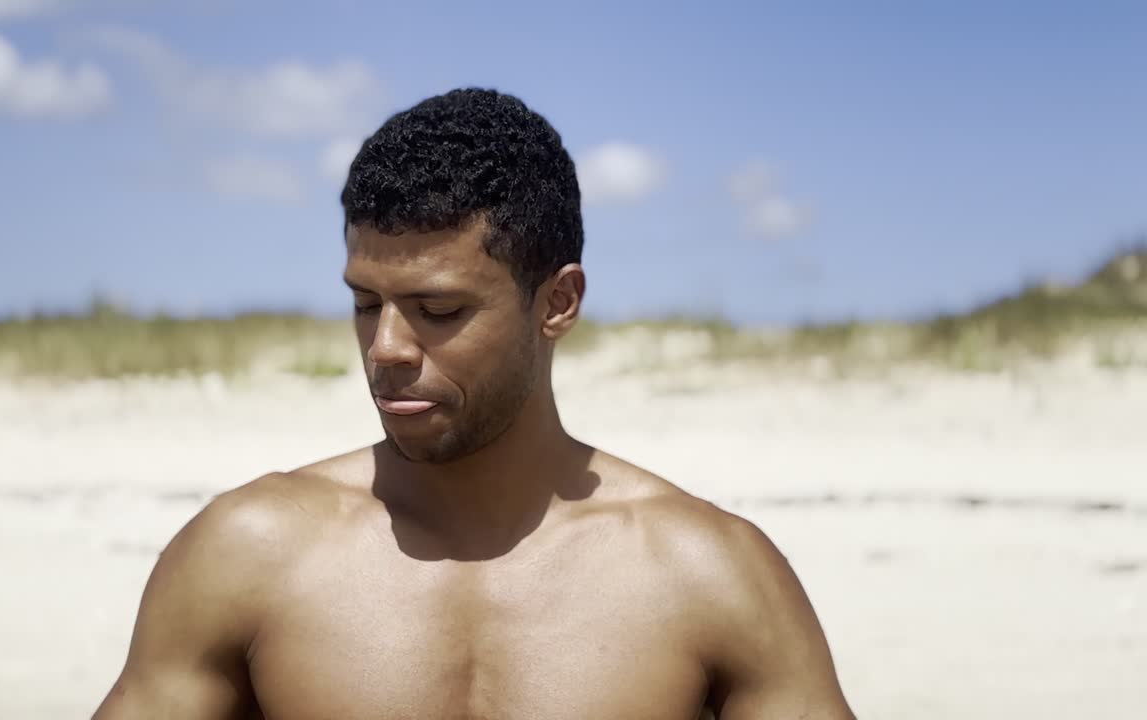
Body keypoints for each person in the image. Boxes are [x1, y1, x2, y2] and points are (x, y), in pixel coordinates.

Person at [93, 88, 855, 720]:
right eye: (365, 303)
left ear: (556, 302)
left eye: (439, 309)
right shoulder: (249, 552)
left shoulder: (705, 574)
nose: (386, 347)